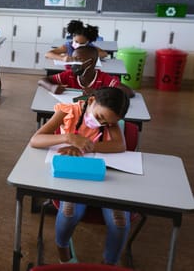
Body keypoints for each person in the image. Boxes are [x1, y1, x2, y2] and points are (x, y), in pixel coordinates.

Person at [29, 87, 131, 265]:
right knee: (69, 212)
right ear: (91, 101)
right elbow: (35, 140)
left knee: (119, 221)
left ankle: (109, 264)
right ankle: (64, 254)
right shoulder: (67, 111)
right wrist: (68, 138)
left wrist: (85, 146)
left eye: (106, 123)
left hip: (103, 177)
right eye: (99, 117)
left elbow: (119, 146)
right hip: (73, 176)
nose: (101, 124)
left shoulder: (110, 119)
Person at [38, 45, 134, 98]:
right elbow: (42, 80)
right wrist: (51, 87)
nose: (74, 63)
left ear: (91, 62)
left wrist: (98, 92)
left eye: (78, 59)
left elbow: (129, 92)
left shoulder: (102, 78)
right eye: (73, 59)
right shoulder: (70, 75)